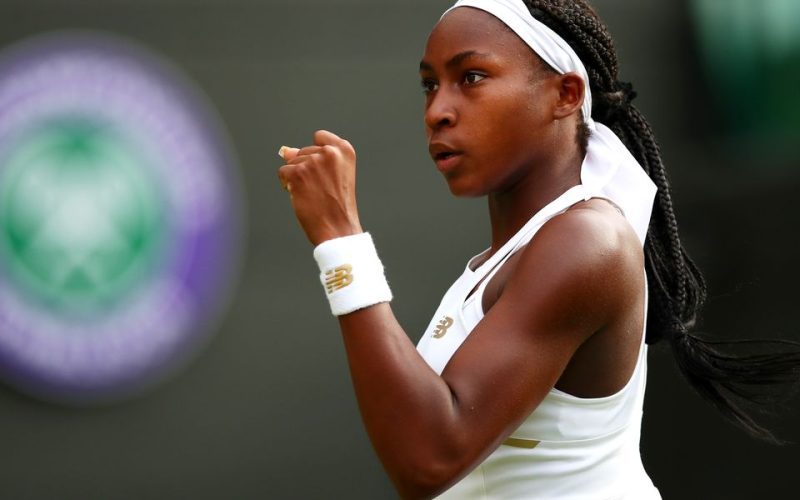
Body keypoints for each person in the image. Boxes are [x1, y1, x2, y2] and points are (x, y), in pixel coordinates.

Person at [277, 0, 800, 498]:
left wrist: (340, 239)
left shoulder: (586, 240)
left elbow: (428, 458)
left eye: (471, 77)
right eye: (429, 85)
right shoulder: (500, 263)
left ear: (565, 95)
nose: (438, 110)